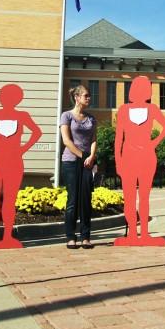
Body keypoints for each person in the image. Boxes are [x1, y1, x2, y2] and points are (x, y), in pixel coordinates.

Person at [0, 83, 42, 249]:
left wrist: (22, 149)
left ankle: (7, 237)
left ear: (17, 99)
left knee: (9, 200)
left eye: (11, 96)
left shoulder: (22, 115)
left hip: (14, 163)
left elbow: (37, 132)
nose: (6, 99)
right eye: (4, 95)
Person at [114, 76, 165, 246]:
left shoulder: (140, 109)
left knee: (134, 197)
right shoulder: (128, 109)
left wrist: (118, 160)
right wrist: (153, 143)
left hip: (135, 157)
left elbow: (119, 139)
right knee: (138, 197)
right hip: (139, 157)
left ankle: (138, 233)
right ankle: (138, 233)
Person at [59, 84, 97, 249]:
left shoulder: (91, 118)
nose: (89, 98)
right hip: (71, 161)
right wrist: (83, 157)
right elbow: (66, 141)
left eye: (89, 96)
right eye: (86, 96)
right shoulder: (66, 116)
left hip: (88, 162)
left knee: (86, 200)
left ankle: (86, 237)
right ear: (77, 98)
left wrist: (92, 156)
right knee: (73, 200)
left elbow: (94, 139)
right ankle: (70, 236)